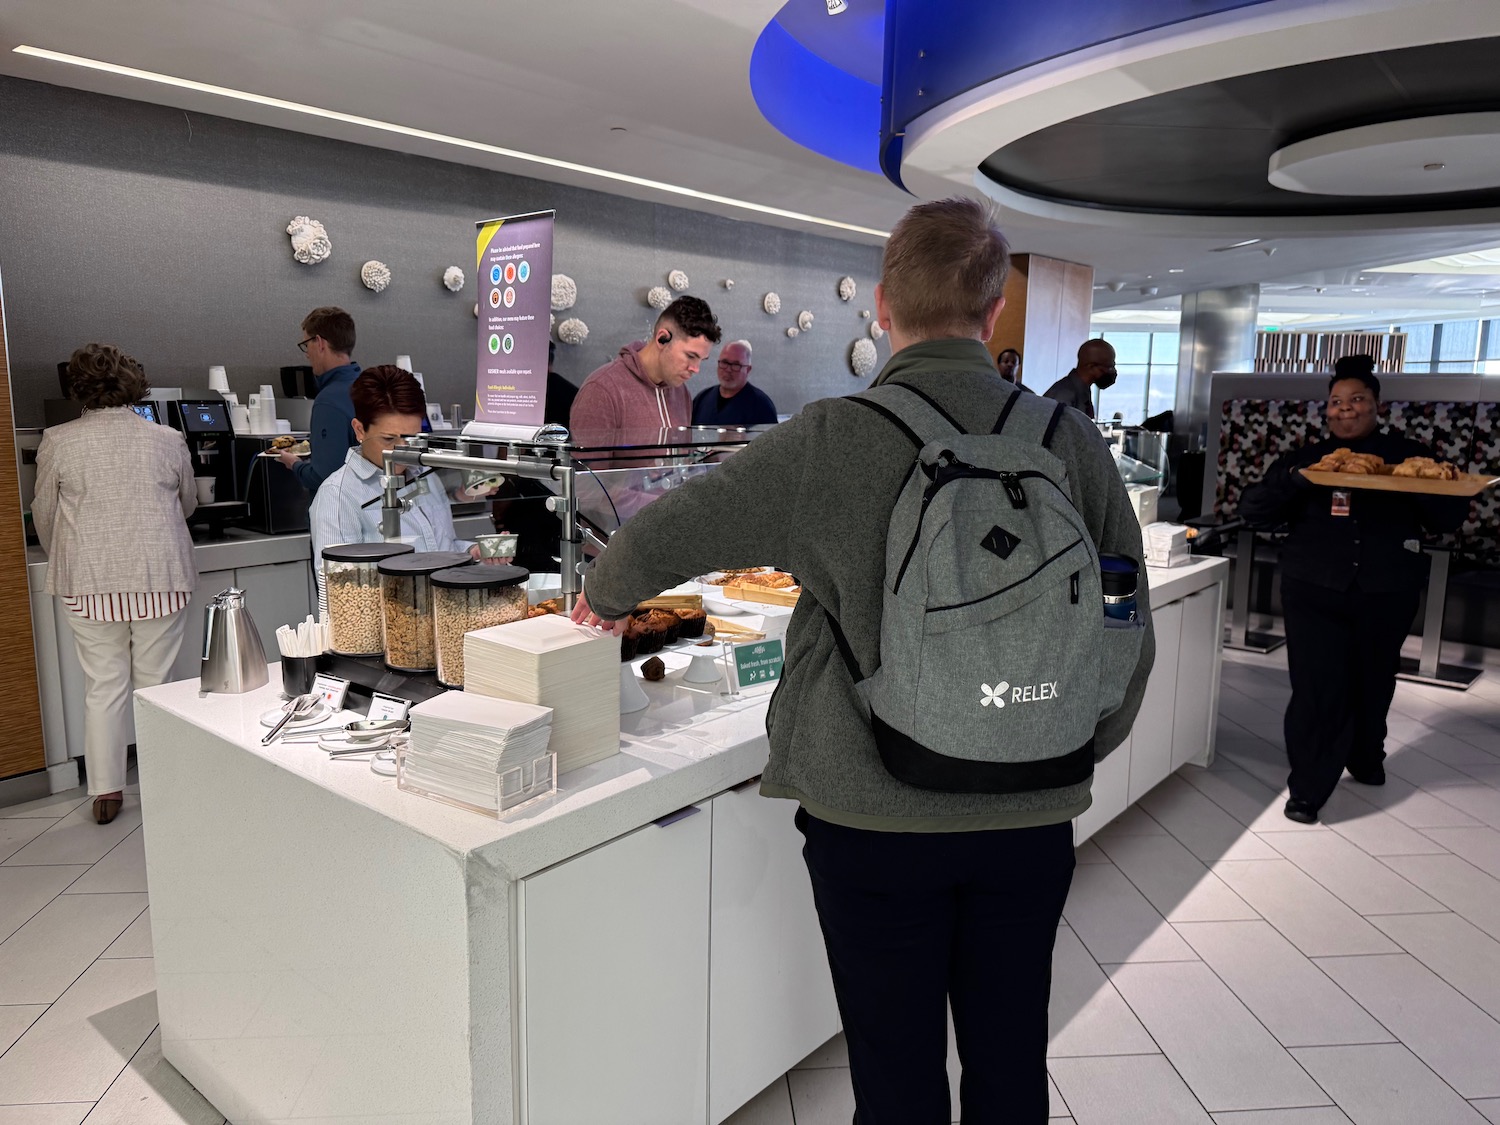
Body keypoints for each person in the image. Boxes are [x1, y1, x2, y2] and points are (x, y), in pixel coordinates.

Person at [569, 198, 1153, 1123]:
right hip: (1031, 810)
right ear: (994, 310)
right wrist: (1061, 735)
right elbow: (1128, 621)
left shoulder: (832, 437)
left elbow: (663, 533)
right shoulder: (1066, 438)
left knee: (893, 1071)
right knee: (1010, 1059)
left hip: (873, 811)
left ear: (884, 304)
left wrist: (602, 597)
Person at [1239, 354, 1468, 824]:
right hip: (1313, 590)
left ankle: (1366, 756)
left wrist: (1410, 486)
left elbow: (1449, 520)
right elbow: (1255, 511)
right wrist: (1295, 483)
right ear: (1327, 410)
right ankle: (1308, 787)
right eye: (1337, 402)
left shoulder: (1410, 458)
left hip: (1386, 589)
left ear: (1376, 405)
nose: (1346, 410)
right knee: (1317, 688)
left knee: (1374, 680)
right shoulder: (1306, 461)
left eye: (1357, 400)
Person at [32, 344, 198, 826]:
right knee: (156, 685)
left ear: (77, 387)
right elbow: (187, 505)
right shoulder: (166, 437)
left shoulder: (58, 440)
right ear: (133, 382)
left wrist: (66, 548)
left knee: (103, 686)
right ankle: (163, 781)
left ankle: (106, 792)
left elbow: (44, 515)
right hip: (160, 578)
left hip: (87, 580)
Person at [310, 365, 479, 564]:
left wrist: (473, 553)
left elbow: (444, 548)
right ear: (359, 430)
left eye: (412, 438)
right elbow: (339, 587)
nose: (403, 451)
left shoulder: (426, 475)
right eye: (389, 439)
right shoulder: (337, 496)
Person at [569, 295, 721, 440]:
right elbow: (589, 466)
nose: (696, 369)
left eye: (702, 359)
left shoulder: (681, 393)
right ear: (662, 339)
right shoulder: (602, 390)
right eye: (690, 356)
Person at [278, 307, 361, 493]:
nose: (307, 354)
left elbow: (324, 477)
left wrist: (295, 465)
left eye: (306, 345)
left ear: (319, 343)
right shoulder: (369, 386)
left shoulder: (329, 400)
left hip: (338, 515)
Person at [691, 339, 777, 426]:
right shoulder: (702, 399)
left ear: (748, 369)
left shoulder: (762, 406)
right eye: (724, 363)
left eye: (736, 365)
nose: (728, 369)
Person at [1044, 339, 1117, 418]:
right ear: (1091, 367)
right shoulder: (1063, 395)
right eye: (1110, 367)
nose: (1113, 371)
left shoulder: (1082, 390)